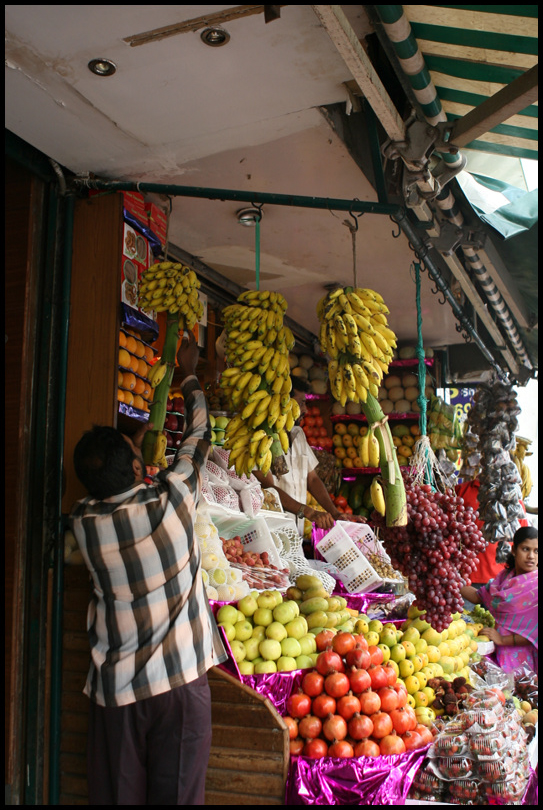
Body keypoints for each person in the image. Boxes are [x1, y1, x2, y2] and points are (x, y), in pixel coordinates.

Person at [70, 330, 227, 805]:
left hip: (116, 692)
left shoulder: (83, 521)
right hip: (179, 687)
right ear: (139, 470)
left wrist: (132, 456)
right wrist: (190, 375)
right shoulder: (174, 500)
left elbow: (116, 486)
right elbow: (199, 436)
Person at [254, 376, 366, 533]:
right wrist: (308, 512)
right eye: (301, 403)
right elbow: (268, 487)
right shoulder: (260, 438)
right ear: (283, 403)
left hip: (296, 529)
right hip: (270, 529)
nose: (305, 410)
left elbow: (312, 478)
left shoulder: (298, 434)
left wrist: (335, 513)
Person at [461, 526, 538, 673]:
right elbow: (479, 596)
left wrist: (502, 640)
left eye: (536, 551)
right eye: (526, 549)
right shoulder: (504, 577)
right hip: (497, 653)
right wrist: (451, 582)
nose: (531, 556)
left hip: (524, 661)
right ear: (514, 550)